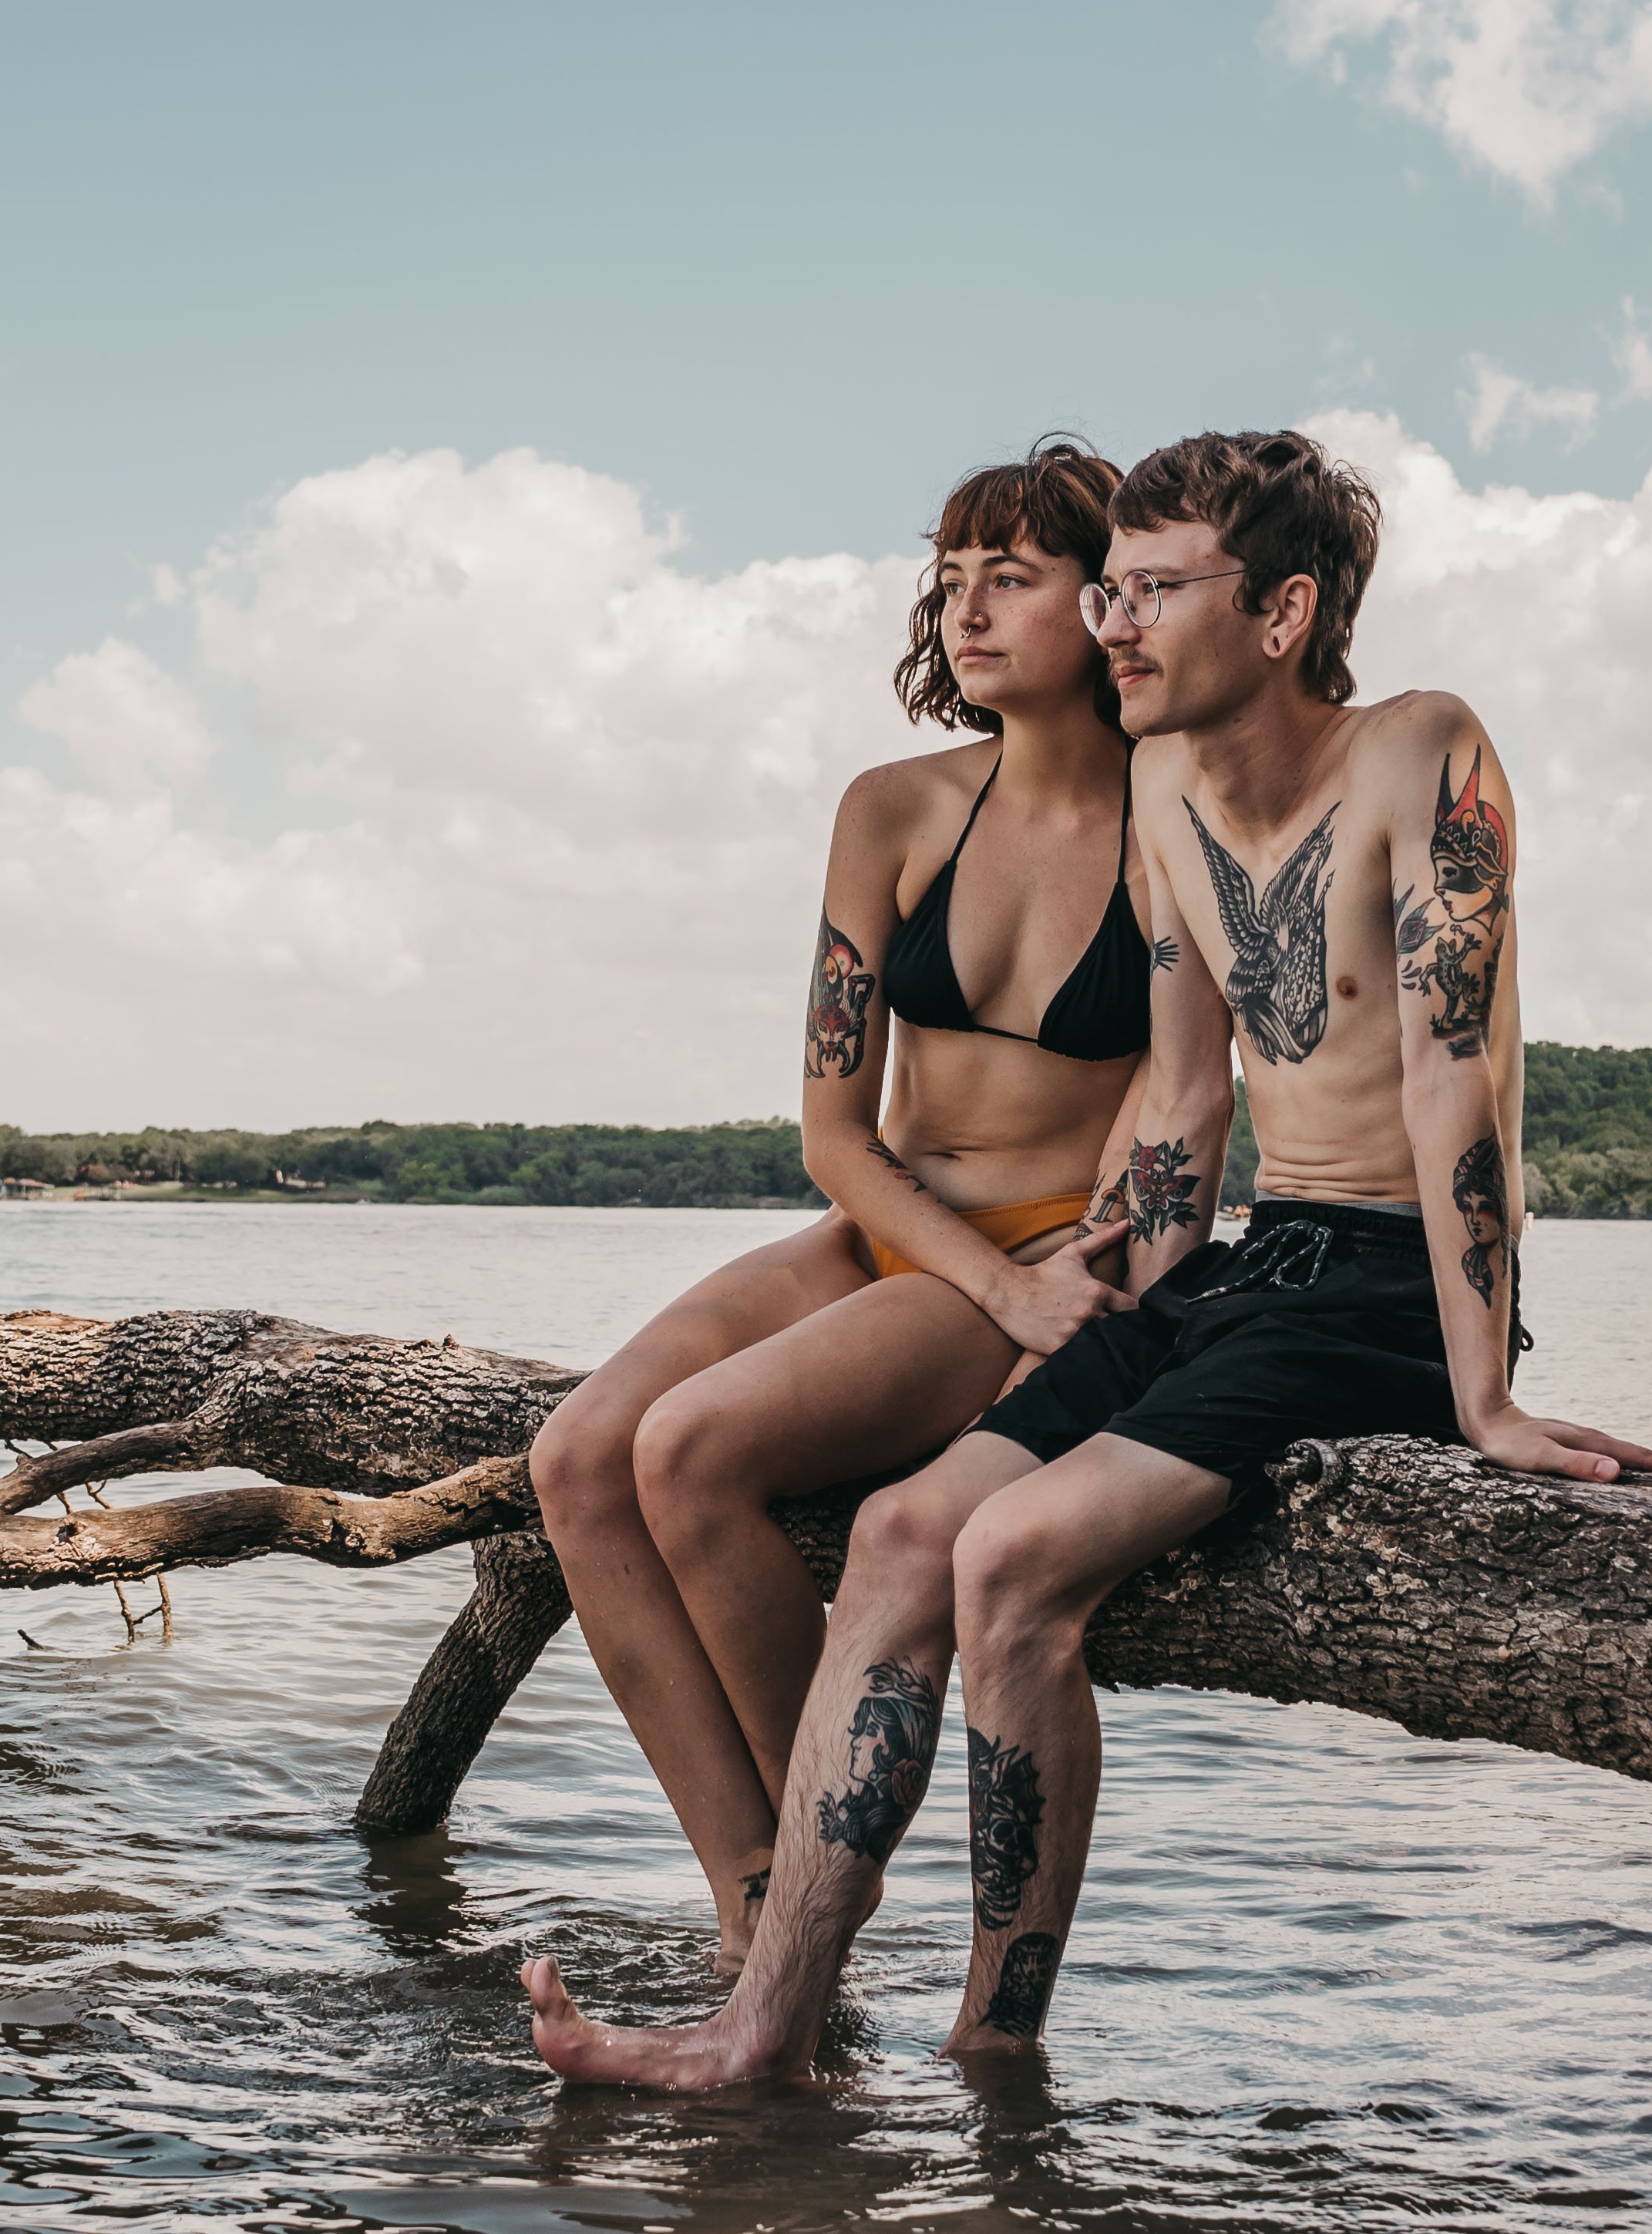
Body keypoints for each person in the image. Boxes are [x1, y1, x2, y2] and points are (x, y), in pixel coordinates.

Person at [520, 426, 1652, 2084]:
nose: (1115, 621)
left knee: (1005, 1562)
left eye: (1146, 589)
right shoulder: (1162, 786)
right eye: (1112, 588)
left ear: (1280, 614)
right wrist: (1113, 1301)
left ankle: (993, 2049)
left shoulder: (1422, 747)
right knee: (916, 1528)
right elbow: (1189, 1095)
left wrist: (1486, 1394)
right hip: (1238, 1261)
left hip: (1382, 1283)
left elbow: (1454, 1080)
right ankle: (764, 2020)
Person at [527, 439, 1173, 1973]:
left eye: (1010, 579)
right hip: (886, 1226)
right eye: (950, 581)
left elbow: (1175, 1122)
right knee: (574, 1455)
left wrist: (1033, 1309)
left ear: (1106, 603)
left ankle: (816, 1886)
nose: (967, 611)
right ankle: (755, 1889)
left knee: (689, 1451)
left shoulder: (1179, 826)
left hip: (1023, 1255)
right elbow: (832, 1127)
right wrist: (987, 1286)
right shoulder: (890, 810)